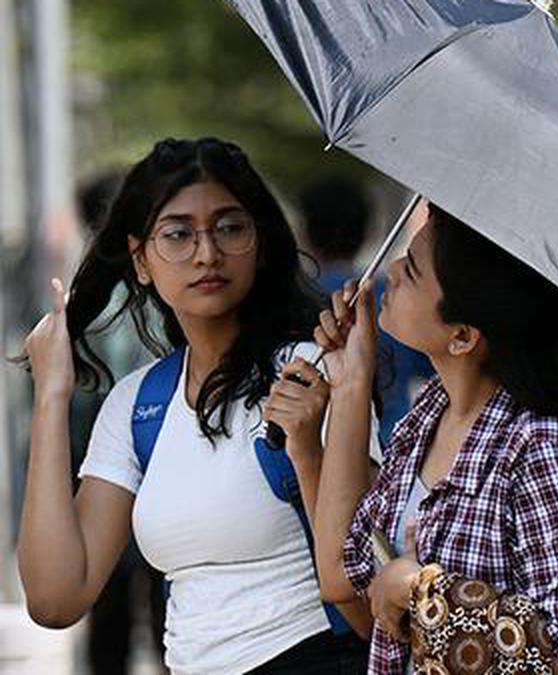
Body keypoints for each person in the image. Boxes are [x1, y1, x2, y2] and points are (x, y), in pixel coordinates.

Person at [19, 137, 373, 673]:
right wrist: (51, 395)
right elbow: (57, 597)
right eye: (179, 234)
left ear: (259, 241)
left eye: (230, 228)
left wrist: (310, 448)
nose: (207, 253)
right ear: (141, 260)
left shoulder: (315, 372)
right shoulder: (138, 404)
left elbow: (368, 588)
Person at [307, 201, 558, 674]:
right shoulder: (424, 423)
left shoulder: (540, 453)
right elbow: (342, 577)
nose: (390, 268)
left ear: (463, 336)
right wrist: (351, 381)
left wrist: (423, 592)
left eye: (411, 270)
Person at [72, 170, 166, 675]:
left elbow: (74, 411)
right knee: (165, 621)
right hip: (159, 483)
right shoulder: (163, 300)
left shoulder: (80, 306)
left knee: (105, 624)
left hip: (99, 485)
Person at [297, 176, 433, 444]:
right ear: (369, 231)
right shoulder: (394, 297)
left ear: (305, 232)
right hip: (389, 449)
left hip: (316, 446)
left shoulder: (293, 299)